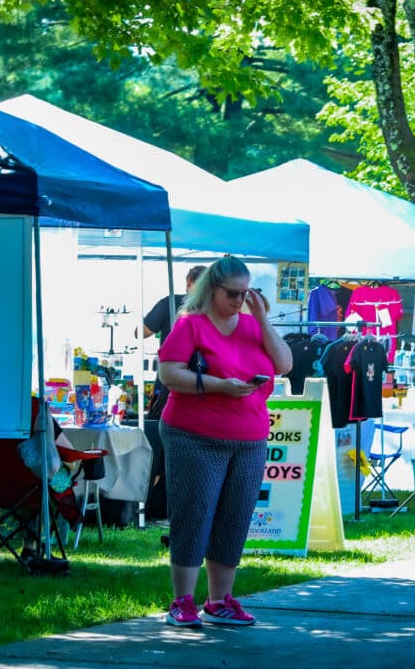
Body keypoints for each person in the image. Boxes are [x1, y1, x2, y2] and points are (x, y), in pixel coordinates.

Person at [157, 256, 292, 627]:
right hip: (194, 433)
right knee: (195, 511)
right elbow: (169, 373)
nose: (238, 299)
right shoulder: (192, 325)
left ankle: (219, 600)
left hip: (248, 435)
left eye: (245, 293)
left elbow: (284, 364)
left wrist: (262, 318)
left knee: (234, 517)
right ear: (212, 288)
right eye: (231, 293)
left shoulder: (252, 325)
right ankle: (182, 599)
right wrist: (218, 386)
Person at [140, 265, 207, 419]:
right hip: (202, 380)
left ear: (189, 281)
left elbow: (141, 332)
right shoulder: (215, 309)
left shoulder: (169, 303)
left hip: (169, 381)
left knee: (158, 424)